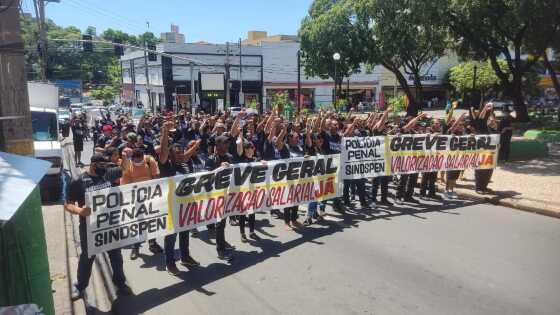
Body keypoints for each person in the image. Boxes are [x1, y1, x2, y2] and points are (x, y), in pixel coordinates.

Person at [65, 154, 132, 300]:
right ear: (93, 165)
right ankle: (80, 286)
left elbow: (124, 169)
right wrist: (80, 211)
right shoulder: (78, 181)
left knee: (116, 256)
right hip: (90, 228)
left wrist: (126, 157)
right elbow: (68, 204)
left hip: (111, 225)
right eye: (102, 165)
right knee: (87, 258)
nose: (105, 168)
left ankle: (120, 283)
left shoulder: (107, 174)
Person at [156, 121, 200, 275]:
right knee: (171, 236)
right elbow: (162, 153)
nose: (180, 153)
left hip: (186, 204)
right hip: (170, 206)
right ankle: (170, 263)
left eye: (182, 151)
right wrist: (165, 132)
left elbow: (192, 150)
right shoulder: (166, 165)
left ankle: (185, 257)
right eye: (176, 151)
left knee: (185, 232)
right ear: (170, 154)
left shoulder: (185, 163)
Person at [121, 147, 164, 259]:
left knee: (152, 221)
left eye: (140, 160)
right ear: (132, 159)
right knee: (137, 223)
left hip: (151, 197)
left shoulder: (150, 161)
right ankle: (135, 247)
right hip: (135, 199)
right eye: (136, 161)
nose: (138, 162)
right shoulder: (128, 166)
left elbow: (156, 177)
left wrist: (156, 195)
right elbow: (124, 184)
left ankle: (152, 243)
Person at [206, 135, 236, 261]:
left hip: (227, 195)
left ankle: (222, 243)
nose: (227, 145)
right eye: (224, 143)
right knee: (219, 223)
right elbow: (207, 178)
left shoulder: (230, 157)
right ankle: (221, 250)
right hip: (215, 196)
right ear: (217, 145)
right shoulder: (210, 159)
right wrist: (220, 167)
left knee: (222, 223)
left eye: (227, 143)